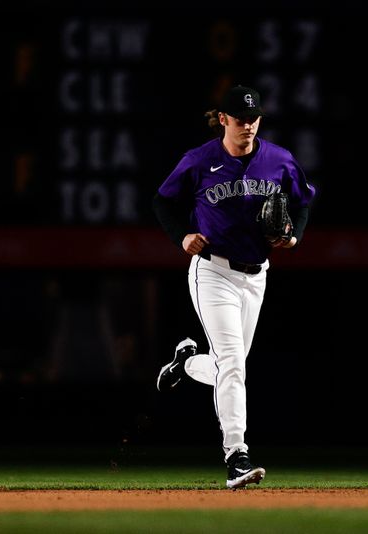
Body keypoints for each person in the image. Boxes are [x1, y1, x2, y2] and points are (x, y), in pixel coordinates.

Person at [152, 85, 316, 489]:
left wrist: (294, 235)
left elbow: (302, 201)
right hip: (212, 272)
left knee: (230, 365)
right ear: (222, 119)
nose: (248, 125)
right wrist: (181, 236)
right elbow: (163, 201)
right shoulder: (199, 160)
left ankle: (187, 362)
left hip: (256, 274)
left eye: (254, 118)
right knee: (234, 364)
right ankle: (236, 456)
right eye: (240, 119)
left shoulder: (279, 159)